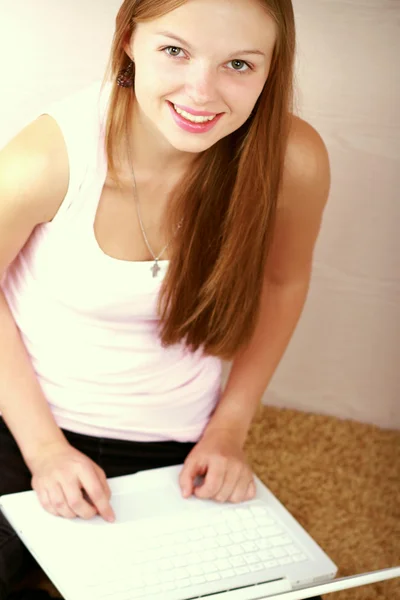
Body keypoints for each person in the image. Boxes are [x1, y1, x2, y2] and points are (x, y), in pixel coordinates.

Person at [0, 0, 330, 597]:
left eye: (239, 64)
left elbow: (283, 282)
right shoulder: (47, 157)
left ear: (272, 66)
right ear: (129, 40)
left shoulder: (292, 160)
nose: (201, 93)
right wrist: (45, 450)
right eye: (174, 51)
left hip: (174, 438)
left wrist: (229, 429)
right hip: (19, 417)